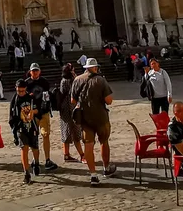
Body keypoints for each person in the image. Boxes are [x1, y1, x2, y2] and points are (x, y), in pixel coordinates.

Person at [70, 57, 115, 186]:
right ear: (95, 68)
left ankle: (93, 175)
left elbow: (73, 101)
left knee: (88, 145)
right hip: (100, 117)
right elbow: (109, 100)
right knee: (104, 142)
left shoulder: (77, 80)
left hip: (85, 118)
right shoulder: (100, 80)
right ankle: (106, 168)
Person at [22, 63, 59, 171]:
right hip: (32, 113)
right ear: (30, 72)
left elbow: (47, 96)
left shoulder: (44, 82)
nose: (35, 72)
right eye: (33, 71)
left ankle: (47, 159)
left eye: (37, 70)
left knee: (45, 135)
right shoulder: (27, 83)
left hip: (44, 112)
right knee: (33, 136)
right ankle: (35, 159)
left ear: (40, 71)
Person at [10, 82, 42, 184]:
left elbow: (39, 109)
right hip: (21, 128)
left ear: (26, 89)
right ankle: (26, 173)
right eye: (19, 91)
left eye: (23, 91)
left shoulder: (31, 98)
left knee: (35, 148)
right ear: (16, 88)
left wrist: (33, 112)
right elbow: (11, 117)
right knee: (24, 148)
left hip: (32, 127)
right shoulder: (14, 100)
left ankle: (36, 163)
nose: (21, 93)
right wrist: (14, 130)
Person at [58, 62, 81, 162]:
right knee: (73, 131)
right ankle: (80, 154)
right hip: (69, 108)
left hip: (66, 109)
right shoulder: (69, 80)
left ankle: (67, 154)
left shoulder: (65, 80)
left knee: (66, 132)